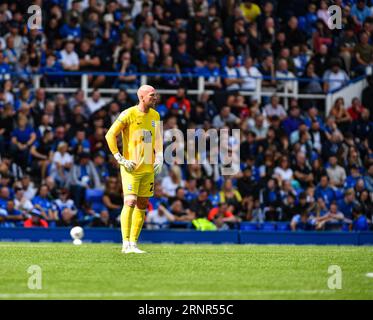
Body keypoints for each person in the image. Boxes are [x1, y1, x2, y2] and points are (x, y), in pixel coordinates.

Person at [105, 85, 162, 254]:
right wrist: (119, 158)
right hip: (131, 167)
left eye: (155, 95)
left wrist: (159, 156)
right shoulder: (128, 114)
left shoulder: (155, 115)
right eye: (152, 95)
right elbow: (110, 135)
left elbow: (157, 139)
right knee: (129, 201)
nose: (155, 98)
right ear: (142, 97)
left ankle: (134, 244)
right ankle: (125, 243)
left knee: (143, 204)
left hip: (148, 167)